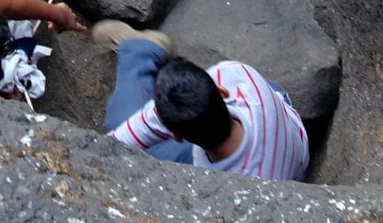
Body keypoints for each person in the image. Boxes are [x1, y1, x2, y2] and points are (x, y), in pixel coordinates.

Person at [94, 20, 309, 181]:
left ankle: (141, 49)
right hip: (285, 130)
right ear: (222, 90)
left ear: (176, 136)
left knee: (121, 121)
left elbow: (117, 142)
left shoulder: (224, 185)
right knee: (271, 89)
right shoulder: (238, 74)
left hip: (248, 168)